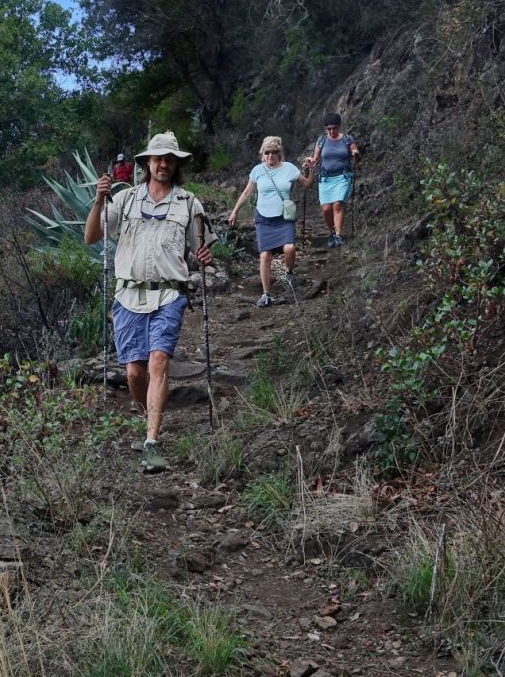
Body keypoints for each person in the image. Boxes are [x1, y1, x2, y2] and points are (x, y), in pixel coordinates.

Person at [86, 131, 215, 473]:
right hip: (128, 294)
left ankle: (152, 441)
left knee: (158, 361)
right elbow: (91, 236)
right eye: (157, 158)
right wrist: (99, 200)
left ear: (176, 164)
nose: (162, 164)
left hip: (170, 293)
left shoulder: (189, 204)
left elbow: (203, 248)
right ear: (146, 163)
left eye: (169, 159)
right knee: (134, 371)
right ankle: (150, 416)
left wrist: (204, 256)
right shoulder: (124, 199)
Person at [227, 136, 313, 308]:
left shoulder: (289, 168)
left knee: (289, 248)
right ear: (263, 154)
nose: (270, 155)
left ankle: (289, 272)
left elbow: (307, 184)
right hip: (264, 218)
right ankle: (266, 294)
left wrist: (312, 169)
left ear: (279, 153)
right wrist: (234, 211)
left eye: (274, 152)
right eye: (267, 152)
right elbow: (246, 193)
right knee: (265, 255)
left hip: (283, 218)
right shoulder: (258, 170)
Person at [305, 112, 360, 247]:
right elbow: (317, 158)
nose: (331, 131)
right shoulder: (322, 140)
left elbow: (355, 152)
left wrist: (355, 154)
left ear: (339, 127)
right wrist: (310, 162)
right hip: (325, 178)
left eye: (334, 128)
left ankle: (338, 235)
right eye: (328, 129)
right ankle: (331, 232)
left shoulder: (347, 139)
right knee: (326, 209)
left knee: (337, 204)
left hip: (342, 176)